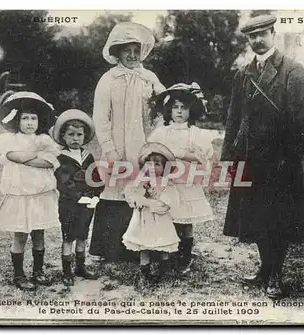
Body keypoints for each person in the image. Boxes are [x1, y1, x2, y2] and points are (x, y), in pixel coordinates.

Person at [220, 14, 304, 300]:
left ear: (273, 33)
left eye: (262, 34)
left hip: (280, 161)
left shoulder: (292, 71)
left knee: (279, 219)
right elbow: (233, 118)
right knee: (255, 217)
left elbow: (303, 121)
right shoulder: (243, 73)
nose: (257, 40)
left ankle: (275, 274)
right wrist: (229, 157)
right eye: (252, 36)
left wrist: (291, 157)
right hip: (249, 158)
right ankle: (264, 268)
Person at [90, 21, 166, 262]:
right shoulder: (108, 79)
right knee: (115, 191)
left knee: (142, 189)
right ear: (117, 52)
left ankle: (142, 245)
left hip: (143, 144)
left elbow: (163, 105)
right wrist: (110, 149)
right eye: (127, 50)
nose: (132, 55)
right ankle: (111, 248)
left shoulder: (149, 78)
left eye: (136, 50)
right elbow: (101, 118)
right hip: (118, 145)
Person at [0, 91, 60, 291]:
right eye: (25, 118)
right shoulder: (9, 139)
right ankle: (19, 274)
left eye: (33, 118)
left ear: (39, 121)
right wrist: (34, 155)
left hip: (40, 194)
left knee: (39, 233)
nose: (30, 123)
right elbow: (14, 157)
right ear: (17, 120)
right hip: (20, 194)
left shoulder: (45, 141)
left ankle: (38, 271)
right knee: (20, 235)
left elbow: (49, 162)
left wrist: (32, 157)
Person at [148, 82, 214, 275]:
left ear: (190, 111)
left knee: (186, 219)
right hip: (168, 182)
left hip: (186, 182)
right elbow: (151, 151)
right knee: (168, 216)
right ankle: (168, 253)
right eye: (175, 108)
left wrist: (183, 154)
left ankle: (185, 255)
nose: (179, 112)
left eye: (183, 108)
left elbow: (203, 156)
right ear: (169, 111)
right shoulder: (162, 132)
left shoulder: (195, 133)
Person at [51, 109, 104, 286]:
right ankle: (67, 271)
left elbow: (95, 177)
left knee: (83, 234)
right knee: (69, 236)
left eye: (79, 135)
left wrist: (96, 194)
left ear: (85, 136)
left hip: (88, 203)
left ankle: (80, 267)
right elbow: (63, 182)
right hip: (69, 204)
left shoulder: (87, 156)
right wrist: (78, 196)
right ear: (63, 137)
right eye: (71, 134)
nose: (75, 138)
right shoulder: (61, 158)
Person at [122, 142, 181, 288]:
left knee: (163, 244)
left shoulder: (167, 183)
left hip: (160, 219)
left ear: (164, 167)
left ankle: (164, 271)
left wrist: (149, 202)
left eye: (157, 164)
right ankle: (145, 272)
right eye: (149, 164)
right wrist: (137, 200)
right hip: (143, 219)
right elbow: (129, 194)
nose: (153, 168)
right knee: (144, 244)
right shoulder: (139, 181)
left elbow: (167, 204)